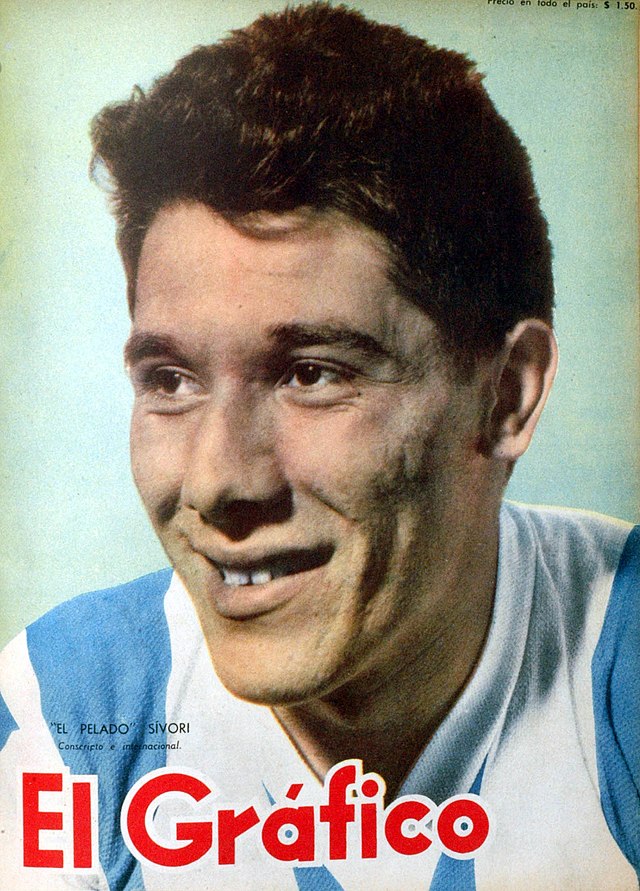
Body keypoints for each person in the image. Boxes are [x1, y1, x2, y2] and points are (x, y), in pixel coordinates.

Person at [1, 4, 637, 889]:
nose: (217, 480)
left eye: (310, 373)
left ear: (506, 396)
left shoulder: (619, 660)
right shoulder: (73, 706)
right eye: (171, 380)